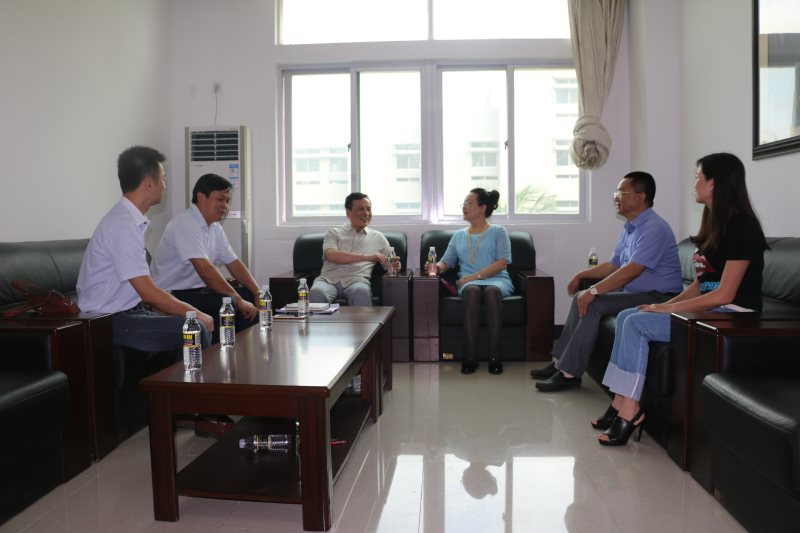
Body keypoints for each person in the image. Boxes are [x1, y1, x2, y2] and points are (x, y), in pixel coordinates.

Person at [594, 153, 768, 446]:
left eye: (698, 176)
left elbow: (724, 294)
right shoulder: (715, 223)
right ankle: (621, 402)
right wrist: (665, 305)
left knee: (636, 323)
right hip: (714, 308)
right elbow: (702, 284)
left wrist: (669, 308)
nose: (694, 183)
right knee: (627, 316)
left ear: (714, 183)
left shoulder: (743, 226)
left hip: (732, 314)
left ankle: (630, 411)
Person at [533, 172, 684, 392]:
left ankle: (569, 375)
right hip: (636, 292)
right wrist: (581, 275)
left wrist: (593, 291)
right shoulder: (631, 227)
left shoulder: (654, 228)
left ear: (640, 196)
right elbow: (614, 265)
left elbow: (632, 271)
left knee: (592, 302)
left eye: (622, 192)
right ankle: (560, 363)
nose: (616, 197)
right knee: (580, 297)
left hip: (660, 297)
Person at [77, 146, 213, 352]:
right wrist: (198, 315)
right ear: (149, 184)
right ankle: (193, 375)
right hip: (107, 321)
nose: (165, 185)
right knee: (195, 327)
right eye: (164, 178)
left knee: (194, 323)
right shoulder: (122, 225)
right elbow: (148, 293)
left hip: (130, 312)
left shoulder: (128, 220)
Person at [152, 173, 260, 344]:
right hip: (172, 295)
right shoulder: (185, 223)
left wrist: (257, 292)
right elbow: (205, 270)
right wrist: (239, 301)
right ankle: (217, 355)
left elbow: (233, 262)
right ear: (201, 197)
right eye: (220, 200)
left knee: (248, 295)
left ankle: (240, 351)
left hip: (196, 292)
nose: (225, 206)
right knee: (230, 303)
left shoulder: (214, 227)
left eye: (227, 201)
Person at [433, 188, 514, 375]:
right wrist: (436, 267)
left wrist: (475, 276)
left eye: (469, 203)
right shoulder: (459, 235)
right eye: (464, 203)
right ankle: (470, 354)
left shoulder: (499, 232)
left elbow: (503, 262)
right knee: (472, 291)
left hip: (497, 279)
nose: (464, 206)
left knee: (492, 291)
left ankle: (495, 355)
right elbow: (446, 262)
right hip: (469, 283)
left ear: (482, 208)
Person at [309, 192, 400, 306]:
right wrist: (367, 257)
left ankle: (365, 319)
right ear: (348, 213)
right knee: (316, 292)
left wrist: (395, 265)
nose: (366, 213)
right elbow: (331, 255)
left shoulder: (378, 237)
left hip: (357, 281)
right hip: (328, 280)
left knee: (361, 292)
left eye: (368, 209)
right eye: (361, 209)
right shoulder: (334, 233)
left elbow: (391, 262)